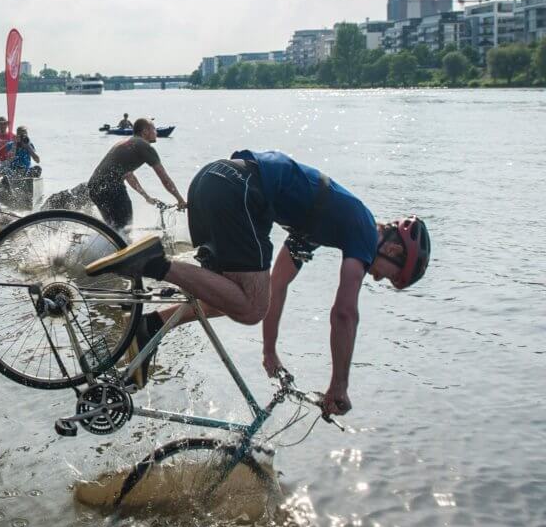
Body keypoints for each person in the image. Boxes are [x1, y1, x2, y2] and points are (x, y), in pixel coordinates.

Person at [86, 149, 431, 412]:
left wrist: (269, 351)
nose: (380, 279)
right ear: (396, 252)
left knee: (239, 297)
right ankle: (153, 263)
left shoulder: (320, 224)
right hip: (240, 192)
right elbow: (345, 313)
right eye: (391, 277)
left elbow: (276, 286)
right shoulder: (362, 229)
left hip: (212, 181)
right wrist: (338, 386)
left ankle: (152, 325)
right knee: (251, 308)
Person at [87, 117, 186, 231]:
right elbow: (165, 179)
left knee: (114, 230)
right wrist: (180, 200)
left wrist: (146, 196)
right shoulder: (145, 146)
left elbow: (129, 176)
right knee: (125, 227)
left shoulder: (127, 142)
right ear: (145, 131)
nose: (156, 132)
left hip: (94, 187)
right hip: (111, 187)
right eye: (154, 129)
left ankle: (101, 247)